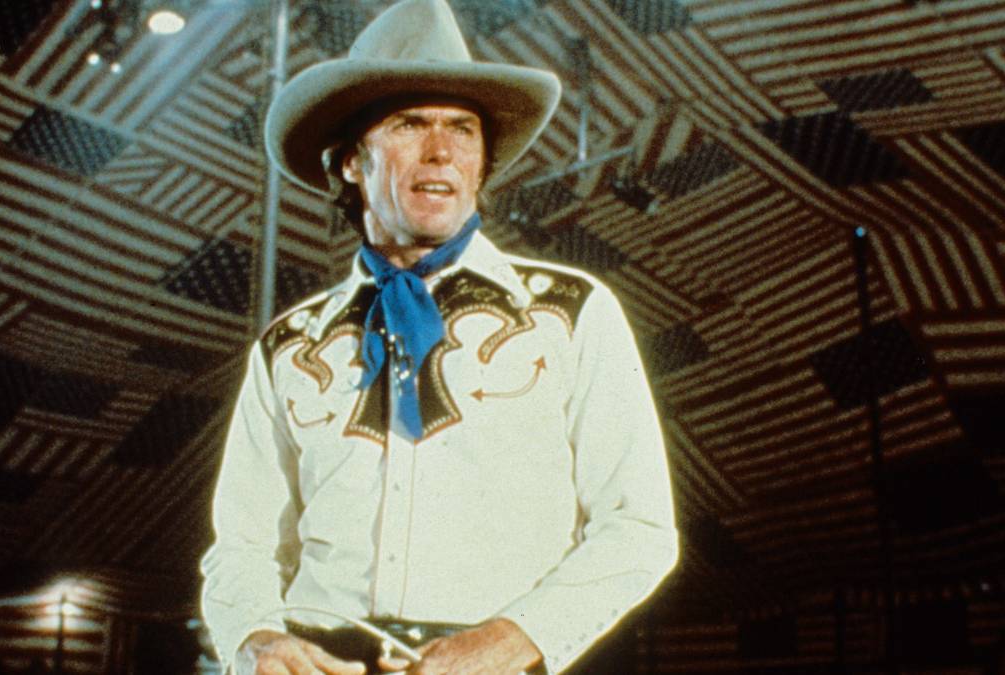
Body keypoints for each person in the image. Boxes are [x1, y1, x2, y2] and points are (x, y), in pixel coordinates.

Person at [199, 1, 678, 673]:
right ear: (351, 162)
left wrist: (512, 639)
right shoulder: (289, 346)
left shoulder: (571, 313)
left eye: (463, 129)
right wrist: (256, 639)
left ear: (481, 164)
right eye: (409, 124)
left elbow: (639, 526)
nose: (441, 151)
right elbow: (242, 545)